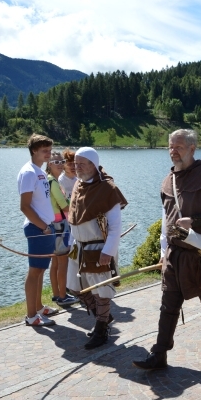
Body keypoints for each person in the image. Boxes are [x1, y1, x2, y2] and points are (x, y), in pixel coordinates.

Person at [133, 129, 201, 370]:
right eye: (170, 146)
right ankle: (159, 352)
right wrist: (162, 250)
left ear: (192, 148)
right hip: (174, 254)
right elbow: (166, 218)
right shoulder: (168, 180)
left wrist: (195, 221)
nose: (173, 151)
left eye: (178, 147)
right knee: (168, 303)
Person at [66, 147, 128, 349]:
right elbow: (73, 218)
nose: (77, 167)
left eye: (82, 164)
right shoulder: (78, 184)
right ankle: (105, 317)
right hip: (78, 248)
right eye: (75, 163)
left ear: (94, 164)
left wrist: (108, 251)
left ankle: (101, 330)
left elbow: (115, 226)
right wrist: (70, 244)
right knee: (76, 289)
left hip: (98, 248)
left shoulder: (107, 189)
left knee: (101, 291)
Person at [17, 134, 59, 327]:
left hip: (45, 227)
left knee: (41, 270)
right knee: (34, 271)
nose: (48, 154)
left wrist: (48, 226)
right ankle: (31, 316)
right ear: (34, 150)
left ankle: (39, 307)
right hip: (37, 228)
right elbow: (24, 206)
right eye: (44, 150)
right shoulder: (28, 172)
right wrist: (43, 227)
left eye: (49, 150)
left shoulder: (40, 172)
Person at [46, 151, 78, 306]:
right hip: (59, 225)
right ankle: (63, 295)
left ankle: (57, 294)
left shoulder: (50, 180)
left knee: (56, 262)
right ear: (49, 163)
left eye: (61, 161)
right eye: (56, 162)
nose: (60, 164)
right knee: (62, 262)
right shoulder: (53, 181)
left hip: (54, 223)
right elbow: (64, 204)